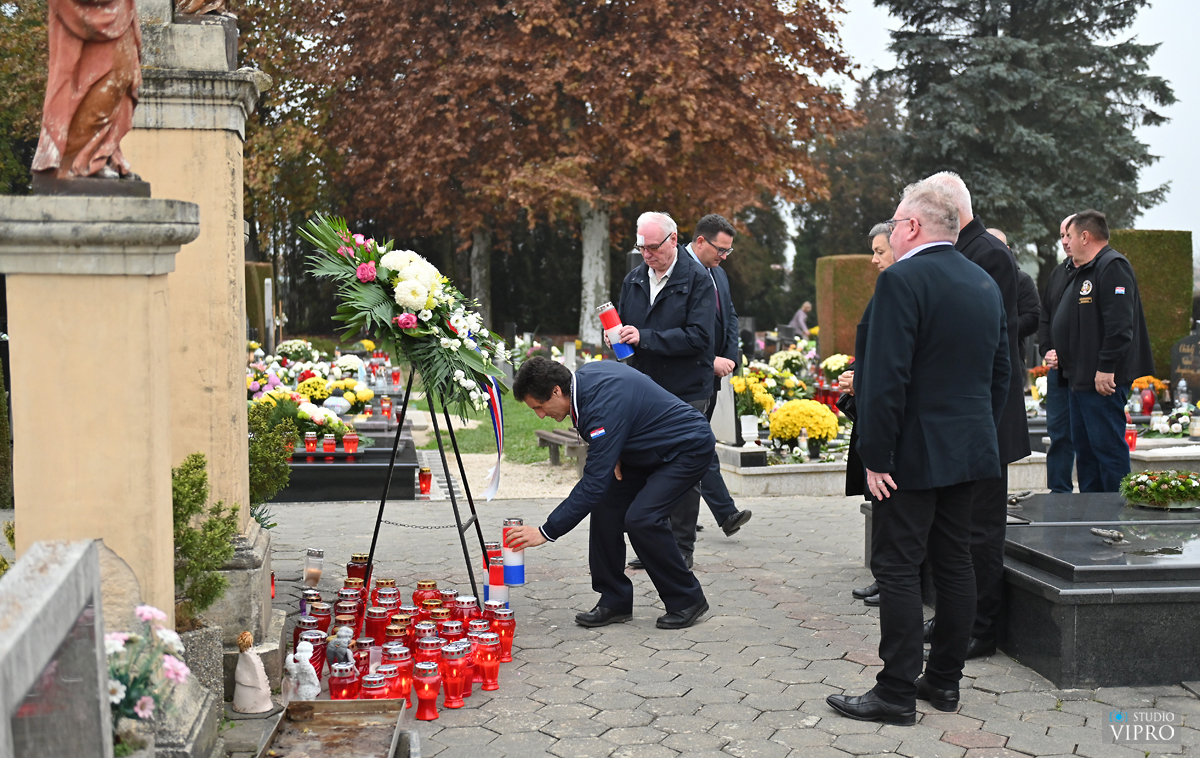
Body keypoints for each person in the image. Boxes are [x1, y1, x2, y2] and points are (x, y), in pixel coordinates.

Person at [825, 180, 1010, 726]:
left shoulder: (902, 280)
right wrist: (977, 433)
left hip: (909, 453)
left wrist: (875, 455)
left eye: (897, 221)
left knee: (898, 565)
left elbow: (886, 379)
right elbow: (1001, 374)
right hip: (970, 449)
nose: (894, 228)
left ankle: (896, 691)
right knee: (955, 562)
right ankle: (945, 683)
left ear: (912, 227)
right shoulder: (983, 281)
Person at [503, 357, 712, 630]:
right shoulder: (584, 381)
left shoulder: (600, 406)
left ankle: (687, 599)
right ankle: (615, 600)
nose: (540, 415)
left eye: (539, 407)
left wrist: (545, 531)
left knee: (642, 518)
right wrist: (615, 445)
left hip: (686, 448)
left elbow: (592, 484)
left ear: (556, 390)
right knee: (605, 505)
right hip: (645, 450)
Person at [920, 172, 1027, 660]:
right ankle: (954, 618)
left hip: (985, 416)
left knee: (982, 526)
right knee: (957, 527)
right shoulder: (964, 250)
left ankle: (981, 628)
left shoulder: (988, 254)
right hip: (965, 414)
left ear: (951, 208)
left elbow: (992, 344)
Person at [614, 211, 715, 570]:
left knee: (684, 470)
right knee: (645, 463)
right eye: (641, 247)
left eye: (653, 247)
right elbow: (628, 326)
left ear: (674, 240)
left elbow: (700, 338)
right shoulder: (634, 279)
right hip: (644, 386)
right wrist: (618, 337)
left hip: (686, 387)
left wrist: (646, 338)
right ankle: (651, 543)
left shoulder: (698, 278)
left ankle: (682, 548)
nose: (647, 254)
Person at [1050, 210, 1154, 492]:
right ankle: (1092, 515)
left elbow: (1120, 327)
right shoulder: (1082, 270)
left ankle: (1116, 516)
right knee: (1086, 454)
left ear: (1085, 236)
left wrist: (1106, 366)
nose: (1066, 243)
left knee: (1107, 450)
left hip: (1102, 380)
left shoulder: (1113, 266)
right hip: (1079, 378)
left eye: (1069, 236)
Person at [683, 214, 753, 536]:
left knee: (694, 446)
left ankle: (684, 515)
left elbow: (731, 315)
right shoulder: (678, 271)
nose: (724, 257)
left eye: (729, 251)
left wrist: (729, 356)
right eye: (720, 250)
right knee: (700, 444)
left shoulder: (718, 274)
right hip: (686, 376)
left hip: (713, 375)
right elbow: (678, 328)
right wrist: (709, 359)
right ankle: (724, 513)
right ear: (700, 241)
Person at [845, 222, 894, 608]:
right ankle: (883, 576)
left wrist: (860, 377)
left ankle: (890, 580)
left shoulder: (901, 288)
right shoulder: (888, 287)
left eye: (880, 251)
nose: (874, 259)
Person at [1037, 216, 1078, 493]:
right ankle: (1059, 492)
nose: (1064, 241)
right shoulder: (1058, 272)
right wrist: (1047, 351)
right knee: (1059, 434)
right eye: (1061, 235)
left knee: (1086, 437)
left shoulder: (1098, 271)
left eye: (1068, 235)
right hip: (1057, 372)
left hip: (1083, 371)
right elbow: (1045, 317)